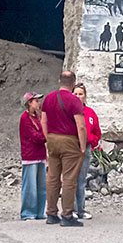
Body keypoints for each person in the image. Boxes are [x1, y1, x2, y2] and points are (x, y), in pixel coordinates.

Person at [39, 71, 87, 227]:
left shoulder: (49, 98)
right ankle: (67, 214)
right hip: (69, 141)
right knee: (69, 179)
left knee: (52, 178)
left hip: (52, 140)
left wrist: (47, 139)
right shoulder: (74, 101)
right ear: (73, 82)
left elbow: (43, 121)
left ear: (59, 81)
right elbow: (81, 126)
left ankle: (51, 213)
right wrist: (82, 146)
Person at [73, 85, 102, 220]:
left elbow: (96, 131)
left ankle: (81, 209)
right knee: (71, 179)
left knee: (81, 180)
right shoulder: (69, 112)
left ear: (85, 96)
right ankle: (71, 209)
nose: (78, 97)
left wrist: (92, 141)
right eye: (76, 94)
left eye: (81, 94)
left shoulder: (90, 113)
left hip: (86, 148)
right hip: (73, 147)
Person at [19, 93, 47, 220]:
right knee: (30, 186)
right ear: (29, 102)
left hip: (40, 155)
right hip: (30, 156)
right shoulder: (25, 118)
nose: (39, 103)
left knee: (41, 186)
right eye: (36, 101)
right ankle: (28, 212)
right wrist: (47, 137)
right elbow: (34, 136)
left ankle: (39, 211)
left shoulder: (39, 117)